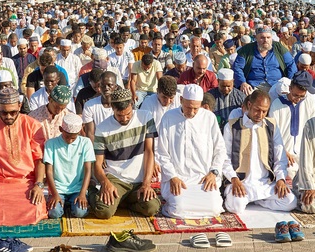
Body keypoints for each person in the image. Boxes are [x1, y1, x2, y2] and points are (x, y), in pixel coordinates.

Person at [0, 87, 47, 226]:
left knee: (35, 209)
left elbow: (39, 159)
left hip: (27, 182)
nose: (8, 116)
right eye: (4, 112)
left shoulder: (33, 125)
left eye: (13, 112)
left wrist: (38, 185)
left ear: (19, 106)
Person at [156, 84, 226, 218]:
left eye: (196, 108)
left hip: (203, 177)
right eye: (188, 107)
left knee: (214, 209)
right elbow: (162, 153)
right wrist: (172, 177)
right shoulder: (168, 117)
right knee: (178, 209)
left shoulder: (209, 118)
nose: (192, 112)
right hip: (178, 178)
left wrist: (214, 172)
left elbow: (220, 149)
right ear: (181, 100)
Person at [222, 89, 297, 214]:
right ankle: (248, 199)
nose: (260, 115)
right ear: (249, 105)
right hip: (241, 182)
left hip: (265, 183)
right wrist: (234, 179)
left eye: (264, 111)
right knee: (236, 207)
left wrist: (280, 179)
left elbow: (280, 157)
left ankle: (259, 201)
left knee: (290, 201)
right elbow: (225, 157)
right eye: (257, 110)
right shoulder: (232, 126)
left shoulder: (271, 126)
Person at [92, 88, 161, 219]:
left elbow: (149, 151)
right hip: (116, 179)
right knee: (104, 212)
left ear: (132, 105)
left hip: (139, 180)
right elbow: (97, 165)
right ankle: (93, 192)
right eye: (120, 115)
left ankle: (123, 202)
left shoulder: (145, 117)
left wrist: (146, 184)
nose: (124, 118)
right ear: (112, 108)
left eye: (128, 114)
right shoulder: (102, 128)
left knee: (152, 208)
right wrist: (105, 183)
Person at [269, 70, 315, 179]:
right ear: (290, 88)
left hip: (304, 153)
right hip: (284, 154)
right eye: (295, 95)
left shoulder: (309, 101)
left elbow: (314, 127)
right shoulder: (276, 105)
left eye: (302, 96)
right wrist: (284, 152)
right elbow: (272, 134)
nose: (298, 99)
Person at [45, 114, 95, 219]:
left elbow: (88, 170)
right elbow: (49, 171)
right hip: (58, 188)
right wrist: (54, 194)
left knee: (79, 213)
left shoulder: (86, 143)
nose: (70, 140)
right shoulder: (50, 144)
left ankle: (72, 203)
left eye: (73, 138)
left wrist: (82, 193)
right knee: (54, 213)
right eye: (67, 137)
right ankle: (64, 204)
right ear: (61, 129)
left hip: (78, 189)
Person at [233, 26, 296, 95]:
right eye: (262, 38)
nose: (266, 40)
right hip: (254, 86)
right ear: (256, 38)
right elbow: (237, 67)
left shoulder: (278, 48)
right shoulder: (246, 50)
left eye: (268, 37)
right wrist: (243, 82)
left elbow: (291, 64)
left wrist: (290, 81)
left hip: (277, 85)